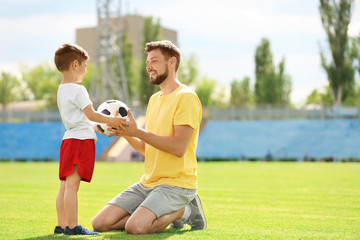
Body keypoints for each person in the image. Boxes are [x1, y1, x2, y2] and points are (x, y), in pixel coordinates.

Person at [92, 40, 207, 234]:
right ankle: (155, 211)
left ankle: (183, 210)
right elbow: (147, 149)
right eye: (147, 62)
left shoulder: (186, 97)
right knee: (100, 223)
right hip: (148, 183)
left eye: (154, 61)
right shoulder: (154, 100)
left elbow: (179, 148)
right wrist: (124, 133)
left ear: (171, 62)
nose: (149, 67)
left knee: (136, 227)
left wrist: (137, 131)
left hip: (176, 184)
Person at [54, 43, 127, 235]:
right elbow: (92, 114)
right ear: (75, 64)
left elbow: (83, 119)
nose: (86, 71)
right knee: (72, 186)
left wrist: (98, 128)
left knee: (64, 186)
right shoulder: (79, 90)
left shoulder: (62, 90)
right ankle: (73, 227)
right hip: (80, 142)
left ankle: (61, 225)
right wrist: (112, 120)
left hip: (69, 139)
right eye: (85, 66)